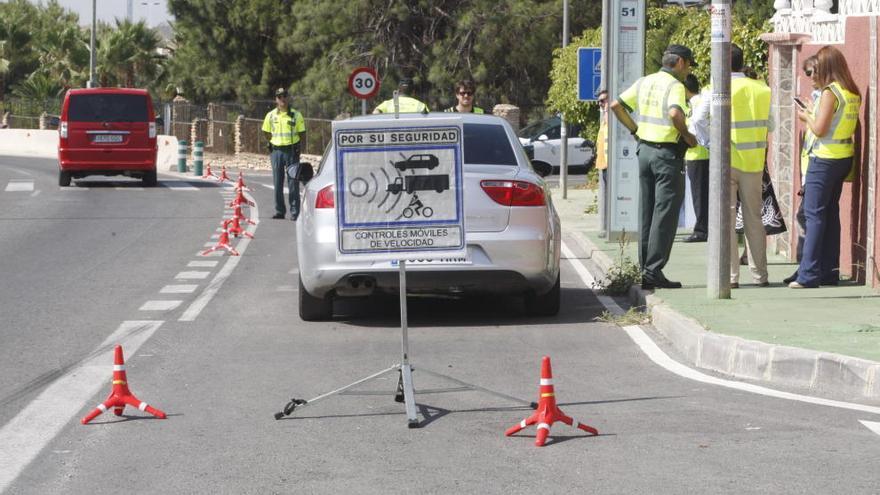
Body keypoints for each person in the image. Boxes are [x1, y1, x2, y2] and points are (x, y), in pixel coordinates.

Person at [609, 44, 698, 290]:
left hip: (645, 151)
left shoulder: (645, 81)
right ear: (679, 62)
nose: (688, 69)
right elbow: (674, 114)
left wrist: (635, 130)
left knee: (647, 210)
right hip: (666, 155)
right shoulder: (675, 86)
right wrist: (688, 136)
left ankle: (645, 268)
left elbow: (616, 106)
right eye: (689, 64)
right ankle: (653, 270)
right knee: (665, 214)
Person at [690, 44, 771, 288]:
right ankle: (760, 277)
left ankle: (730, 278)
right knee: (754, 220)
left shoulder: (716, 89)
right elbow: (774, 124)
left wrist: (710, 143)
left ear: (721, 63)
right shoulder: (761, 89)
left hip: (724, 162)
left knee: (724, 219)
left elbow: (697, 120)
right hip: (754, 162)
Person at [790, 46, 861, 288]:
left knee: (814, 216)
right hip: (843, 158)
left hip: (824, 158)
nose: (815, 72)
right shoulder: (851, 91)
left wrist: (806, 116)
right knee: (830, 214)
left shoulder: (831, 92)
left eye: (818, 67)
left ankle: (808, 274)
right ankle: (830, 271)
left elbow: (819, 129)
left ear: (828, 67)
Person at [783, 54, 820, 284]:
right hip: (812, 164)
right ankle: (805, 266)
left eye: (812, 72)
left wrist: (807, 115)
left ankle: (806, 268)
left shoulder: (828, 96)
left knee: (806, 217)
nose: (810, 77)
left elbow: (820, 128)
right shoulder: (819, 96)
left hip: (819, 163)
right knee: (806, 216)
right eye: (806, 73)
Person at [262, 87, 306, 220]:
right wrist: (273, 142)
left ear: (288, 98)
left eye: (284, 96)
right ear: (276, 99)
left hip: (291, 151)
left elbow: (302, 133)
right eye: (279, 96)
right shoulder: (271, 115)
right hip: (276, 151)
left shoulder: (296, 115)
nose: (282, 99)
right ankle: (280, 211)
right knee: (278, 181)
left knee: (293, 182)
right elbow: (266, 131)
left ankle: (295, 212)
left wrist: (296, 146)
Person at [682, 74, 709, 243]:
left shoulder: (695, 104)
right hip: (701, 153)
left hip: (698, 153)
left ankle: (701, 230)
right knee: (702, 195)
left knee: (699, 195)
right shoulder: (698, 101)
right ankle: (703, 228)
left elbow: (694, 126)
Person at [594, 89, 609, 238]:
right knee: (607, 198)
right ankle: (609, 228)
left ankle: (611, 229)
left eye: (604, 100)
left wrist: (608, 110)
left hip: (612, 165)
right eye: (599, 101)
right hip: (604, 165)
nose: (601, 104)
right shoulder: (604, 121)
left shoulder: (610, 117)